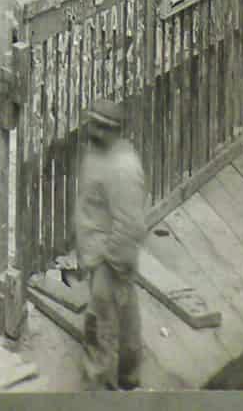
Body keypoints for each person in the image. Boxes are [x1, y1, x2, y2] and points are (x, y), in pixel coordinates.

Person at [75, 99, 147, 390]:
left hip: (110, 256)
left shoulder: (122, 168)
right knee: (126, 312)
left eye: (103, 128)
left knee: (100, 329)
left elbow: (130, 226)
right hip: (100, 250)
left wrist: (111, 266)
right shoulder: (98, 152)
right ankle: (129, 376)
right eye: (92, 124)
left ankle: (98, 387)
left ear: (116, 131)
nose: (95, 131)